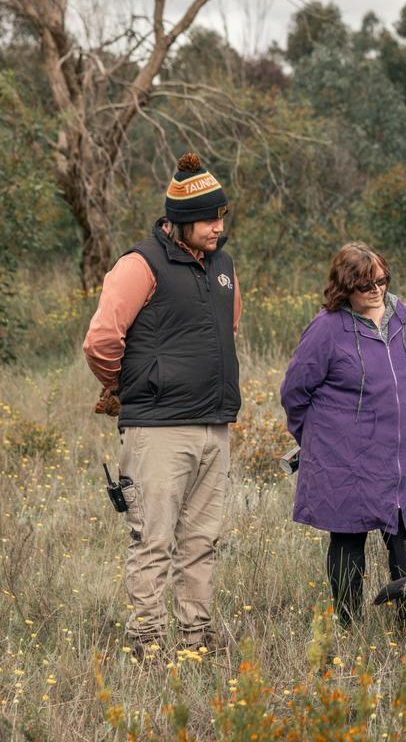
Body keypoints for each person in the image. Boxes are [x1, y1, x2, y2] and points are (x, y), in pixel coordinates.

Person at [83, 152, 241, 660]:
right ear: (180, 220)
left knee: (201, 541)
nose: (219, 227)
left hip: (215, 426)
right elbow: (101, 341)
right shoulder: (139, 265)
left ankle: (195, 642)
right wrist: (128, 388)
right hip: (156, 430)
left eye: (222, 216)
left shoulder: (223, 266)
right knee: (153, 541)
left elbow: (227, 331)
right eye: (211, 219)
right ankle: (146, 646)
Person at [280, 243, 406, 626]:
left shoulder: (399, 315)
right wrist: (316, 437)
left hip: (396, 451)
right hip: (345, 455)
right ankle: (349, 626)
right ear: (344, 287)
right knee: (348, 538)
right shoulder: (327, 328)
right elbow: (294, 391)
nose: (376, 289)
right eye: (364, 285)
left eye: (381, 280)